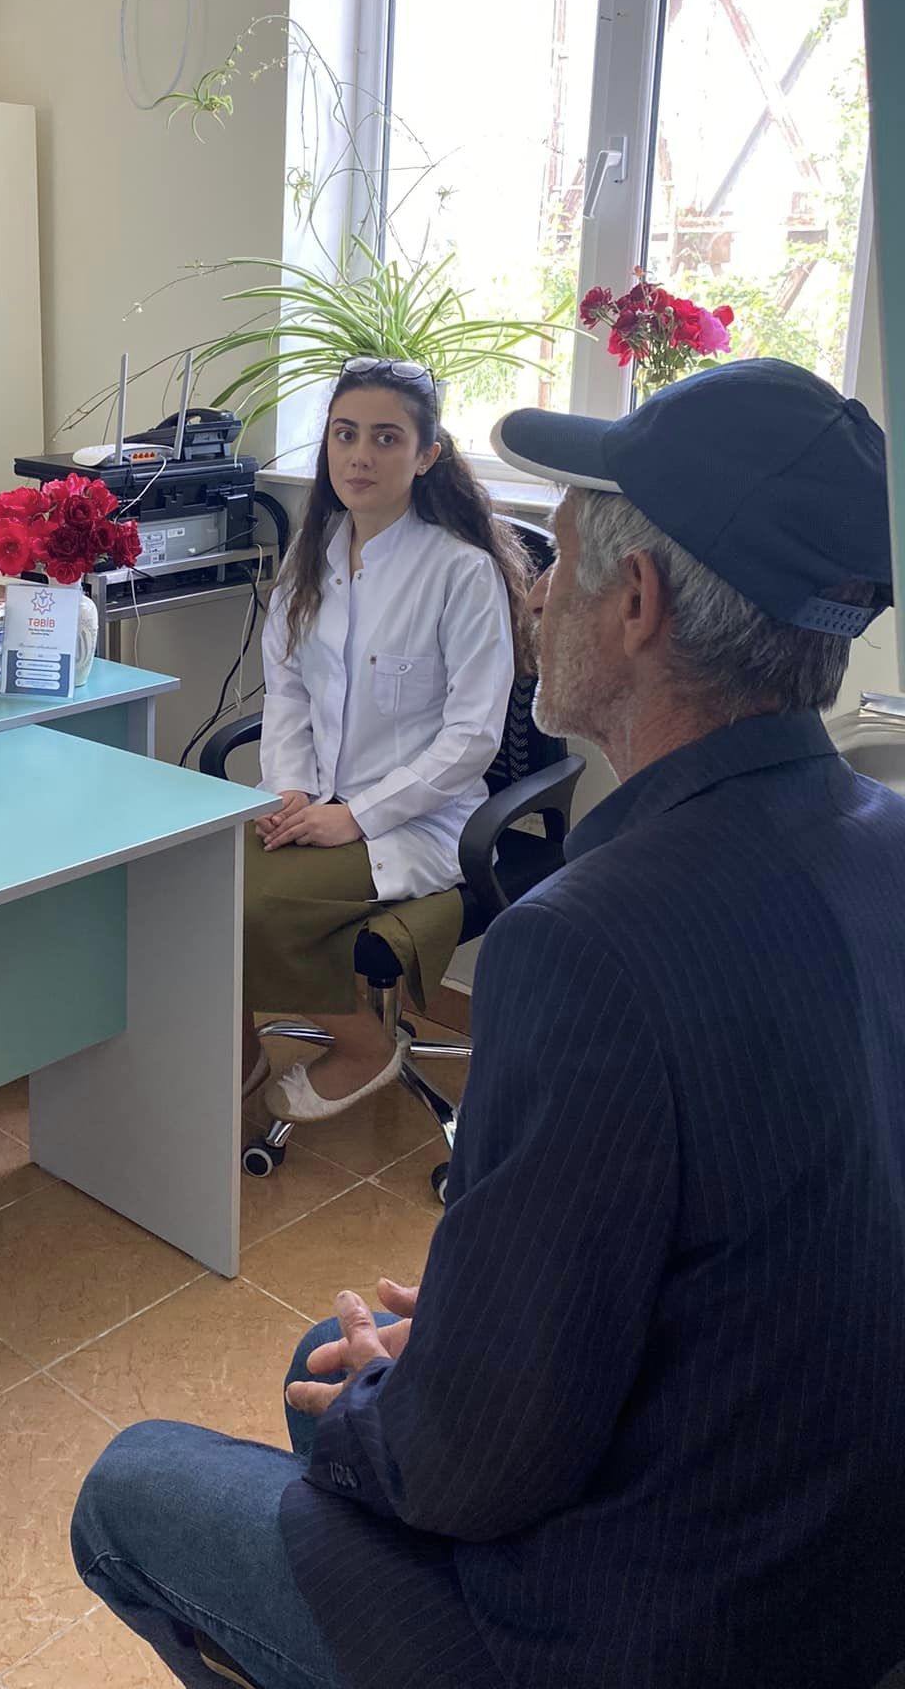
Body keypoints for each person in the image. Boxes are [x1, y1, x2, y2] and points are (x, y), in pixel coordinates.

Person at [72, 358, 905, 1689]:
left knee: (139, 1481)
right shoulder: (887, 837)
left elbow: (470, 1465)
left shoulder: (586, 947)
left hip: (662, 1622)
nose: (538, 593)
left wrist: (394, 1401)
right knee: (334, 1363)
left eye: (557, 563)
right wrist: (459, 1339)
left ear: (636, 605)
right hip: (839, 1548)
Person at [245, 357, 531, 1119]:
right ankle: (241, 1057)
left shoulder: (460, 573)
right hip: (313, 803)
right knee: (190, 876)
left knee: (250, 906)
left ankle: (366, 1046)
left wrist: (356, 816)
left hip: (418, 821)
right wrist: (290, 789)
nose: (360, 457)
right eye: (345, 435)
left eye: (385, 438)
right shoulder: (311, 558)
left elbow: (472, 738)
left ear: (426, 455)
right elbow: (288, 691)